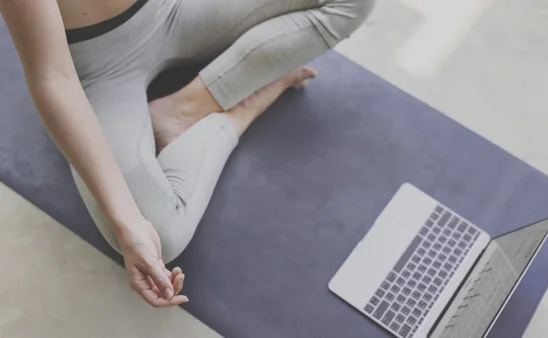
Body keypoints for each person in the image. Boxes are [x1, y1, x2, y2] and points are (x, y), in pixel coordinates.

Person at [0, 0, 375, 308]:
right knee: (159, 236)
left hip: (173, 9)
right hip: (96, 68)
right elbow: (53, 78)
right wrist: (129, 222)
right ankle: (240, 109)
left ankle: (189, 107)